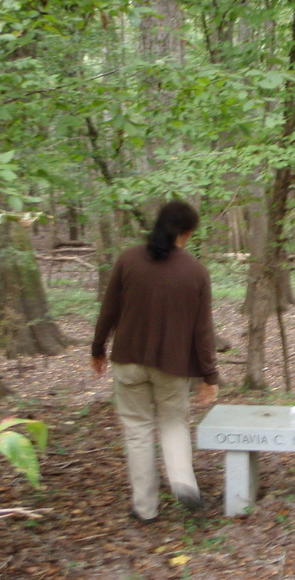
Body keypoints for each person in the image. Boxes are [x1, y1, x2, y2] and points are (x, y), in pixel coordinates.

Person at [91, 200, 218, 524]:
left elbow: (109, 310)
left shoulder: (128, 260)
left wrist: (98, 348)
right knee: (173, 424)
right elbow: (202, 331)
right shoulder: (196, 272)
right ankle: (184, 486)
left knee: (138, 431)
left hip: (128, 361)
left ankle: (145, 507)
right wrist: (209, 375)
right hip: (171, 366)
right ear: (188, 231)